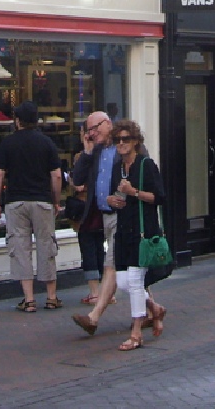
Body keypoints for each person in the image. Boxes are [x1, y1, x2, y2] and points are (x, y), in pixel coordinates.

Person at [0, 100, 63, 313]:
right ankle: (51, 297)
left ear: (17, 120)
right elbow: (56, 175)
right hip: (42, 200)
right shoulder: (46, 143)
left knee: (20, 248)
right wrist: (56, 200)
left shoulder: (8, 143)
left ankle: (29, 299)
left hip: (16, 201)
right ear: (37, 120)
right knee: (46, 245)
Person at [103, 119, 168, 350]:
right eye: (117, 140)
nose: (121, 144)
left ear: (136, 142)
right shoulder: (117, 167)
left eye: (126, 140)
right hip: (123, 231)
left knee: (134, 280)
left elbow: (159, 197)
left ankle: (136, 333)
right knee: (122, 282)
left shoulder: (146, 165)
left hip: (143, 231)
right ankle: (155, 308)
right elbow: (115, 197)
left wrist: (135, 192)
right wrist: (112, 200)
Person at [70, 111, 118, 334]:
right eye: (89, 130)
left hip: (123, 216)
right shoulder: (95, 151)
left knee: (111, 266)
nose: (92, 133)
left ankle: (94, 316)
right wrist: (87, 151)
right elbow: (77, 179)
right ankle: (152, 308)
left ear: (108, 124)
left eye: (95, 128)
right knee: (129, 269)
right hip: (102, 215)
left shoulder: (124, 146)